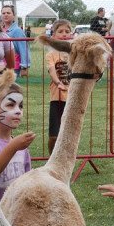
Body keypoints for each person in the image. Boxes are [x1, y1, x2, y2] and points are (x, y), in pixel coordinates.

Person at [44, 19, 73, 155]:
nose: (64, 34)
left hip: (72, 99)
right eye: (60, 31)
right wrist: (57, 82)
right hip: (57, 99)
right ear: (53, 35)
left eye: (67, 31)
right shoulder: (51, 55)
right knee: (54, 135)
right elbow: (51, 70)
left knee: (68, 135)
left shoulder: (75, 54)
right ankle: (51, 158)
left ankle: (66, 159)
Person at [0, 4, 30, 78]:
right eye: (3, 13)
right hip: (0, 65)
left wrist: (24, 67)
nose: (6, 15)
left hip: (13, 67)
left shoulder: (18, 31)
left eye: (8, 13)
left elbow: (24, 49)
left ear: (14, 15)